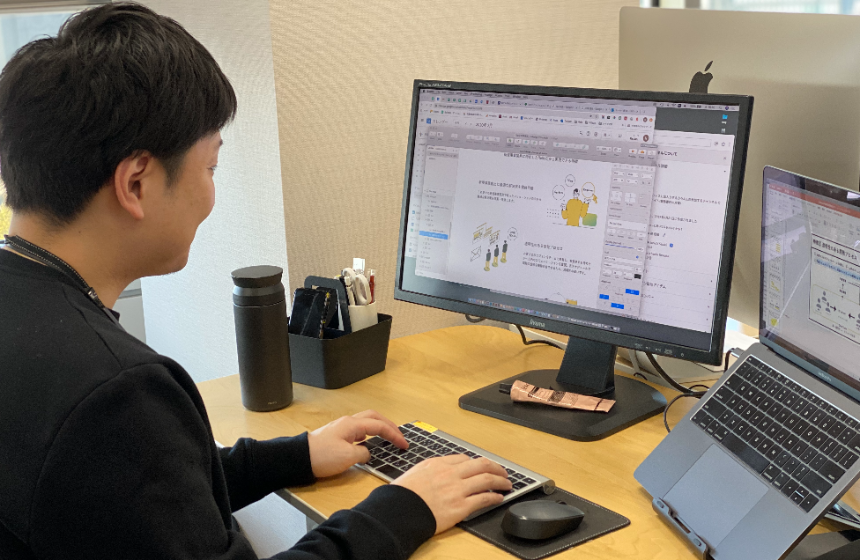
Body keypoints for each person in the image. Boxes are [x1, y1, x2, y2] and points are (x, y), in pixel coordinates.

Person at [0, 4, 511, 560]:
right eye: (210, 168)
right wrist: (406, 508)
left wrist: (294, 456)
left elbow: (134, 494)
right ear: (136, 183)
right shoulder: (117, 394)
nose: (210, 195)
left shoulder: (34, 327)